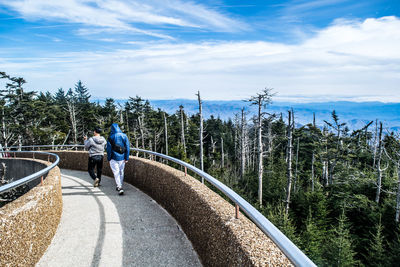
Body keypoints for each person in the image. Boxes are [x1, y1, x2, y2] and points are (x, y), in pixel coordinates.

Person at [107, 123, 130, 195]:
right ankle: (120, 185)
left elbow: (108, 150)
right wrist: (126, 157)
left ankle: (119, 187)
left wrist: (109, 158)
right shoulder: (124, 136)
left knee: (116, 172)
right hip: (122, 157)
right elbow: (127, 147)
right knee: (121, 171)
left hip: (114, 157)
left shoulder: (110, 137)